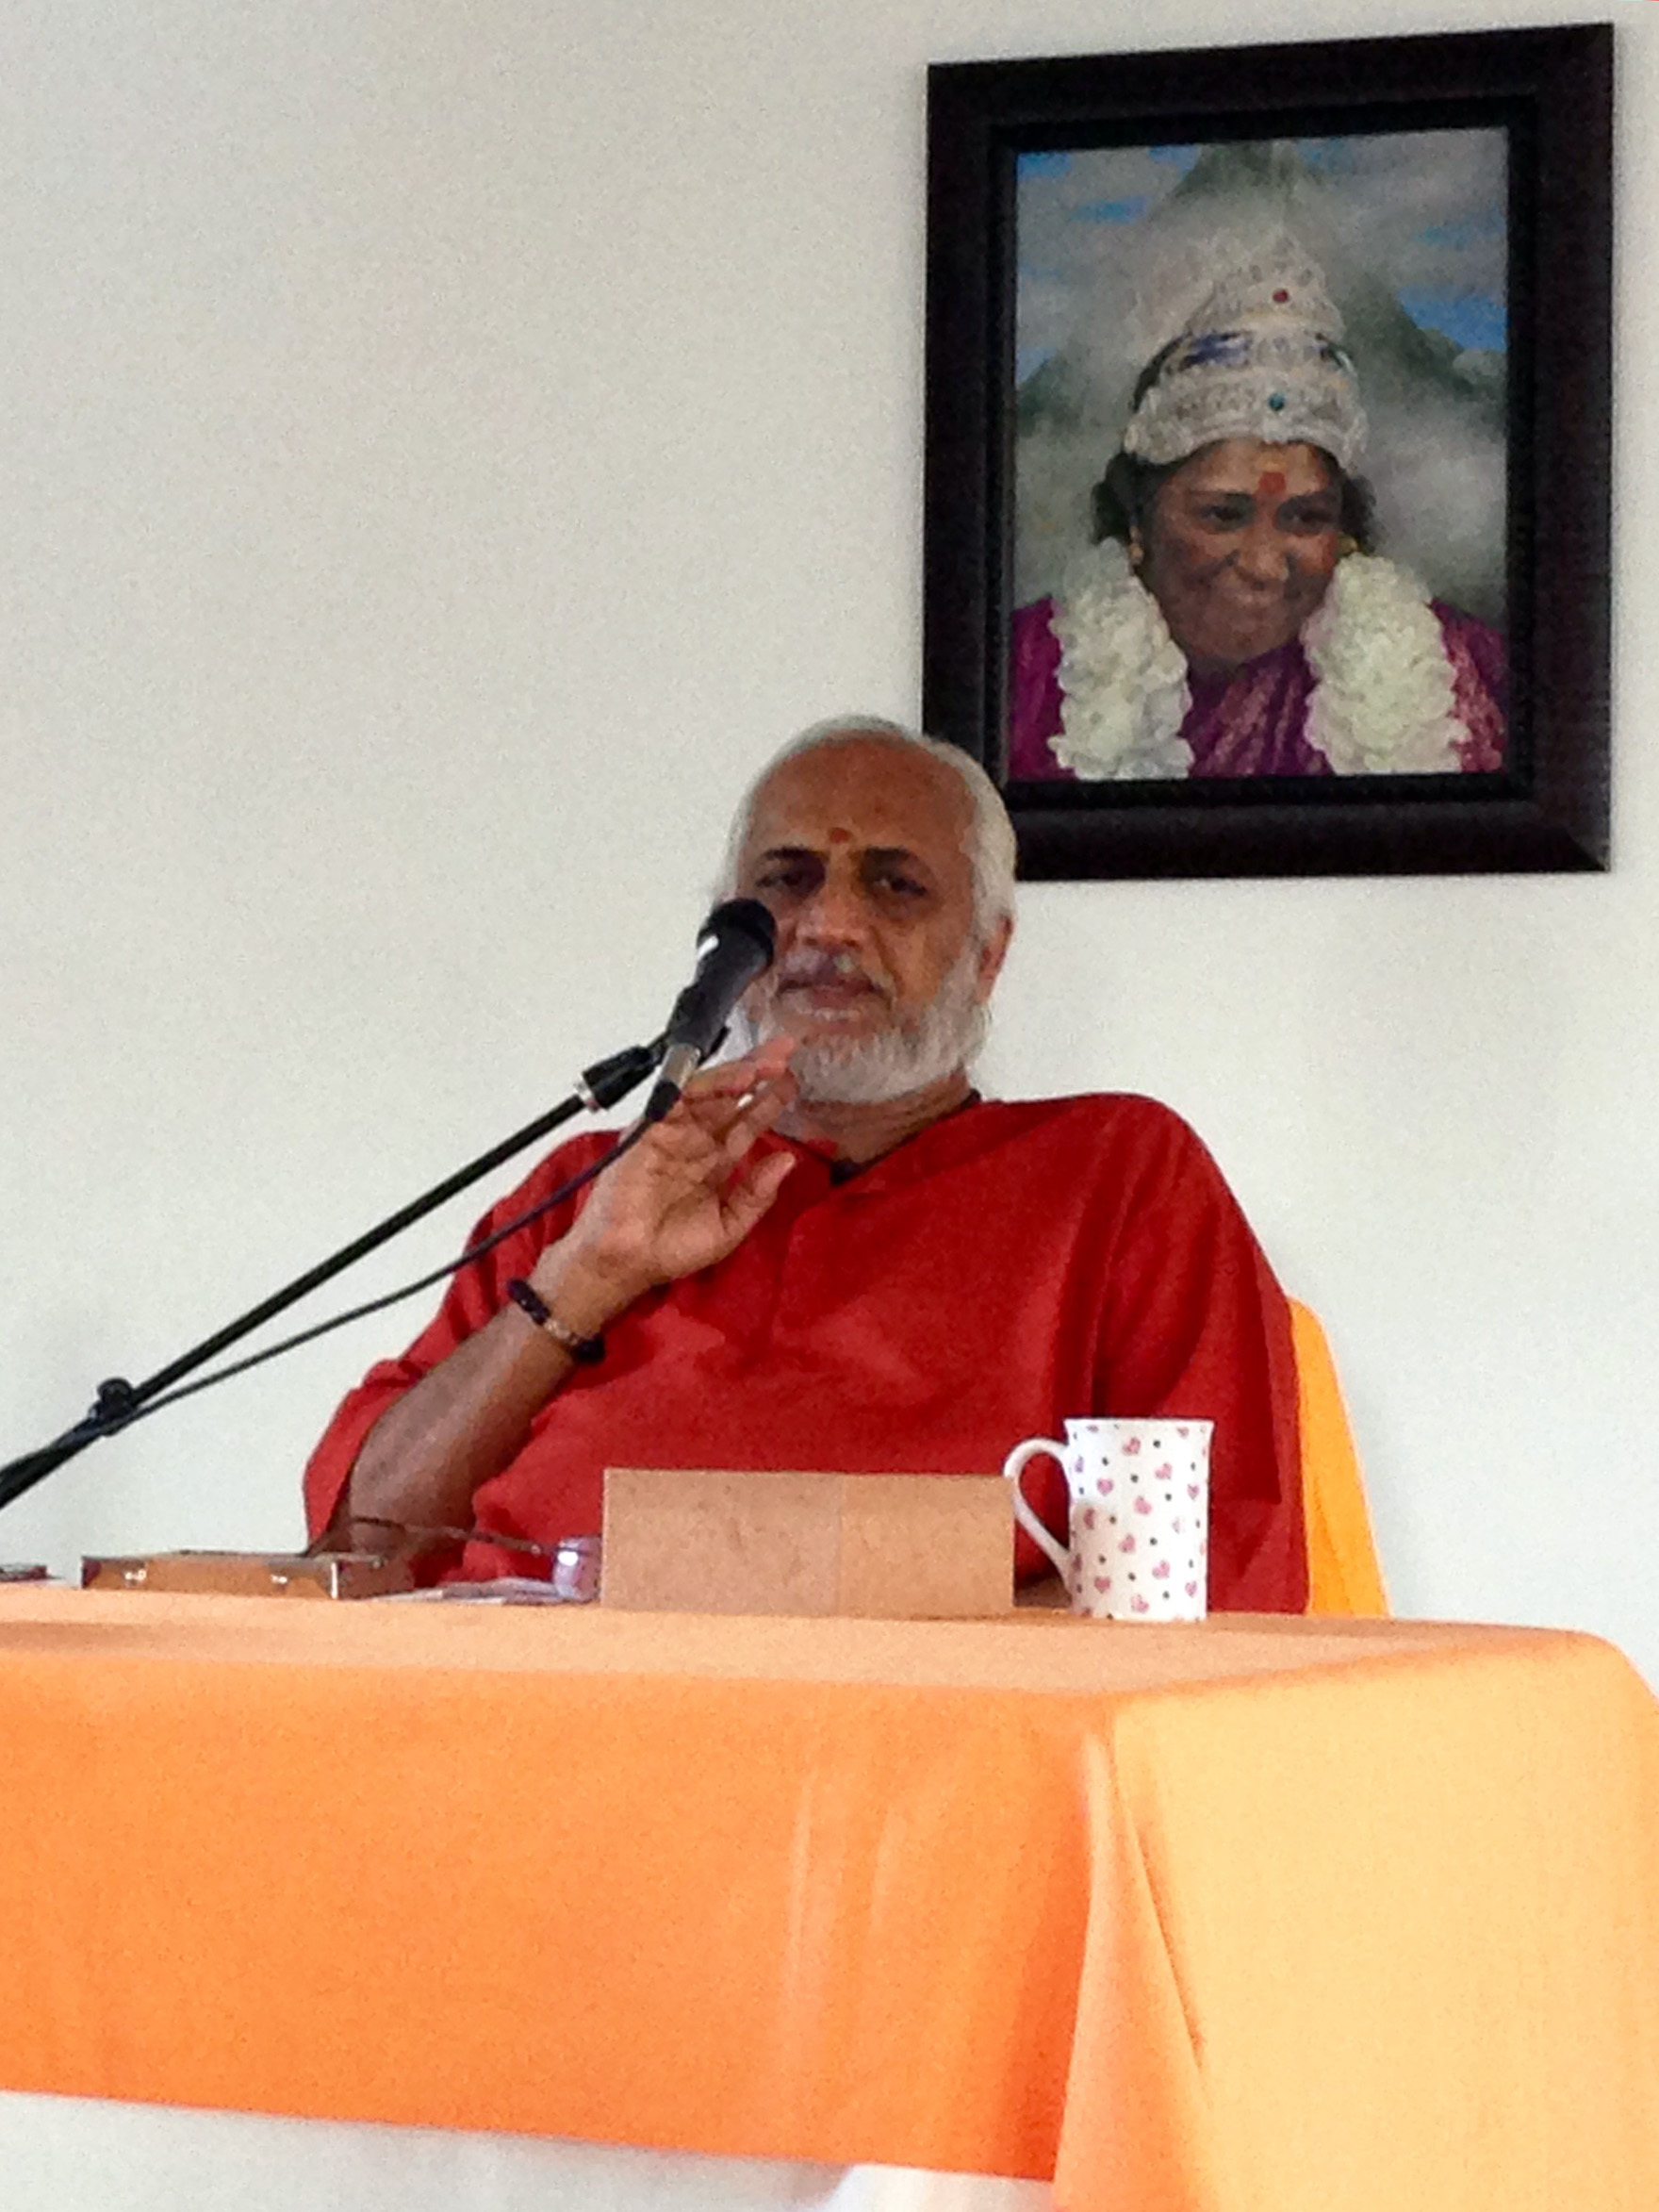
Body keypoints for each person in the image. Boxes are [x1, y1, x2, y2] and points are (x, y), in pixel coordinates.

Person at [304, 717, 1307, 1608]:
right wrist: (587, 1274)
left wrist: (866, 1662)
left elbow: (1207, 1580)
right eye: (784, 883)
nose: (827, 926)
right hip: (529, 1739)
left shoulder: (1115, 1174)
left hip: (923, 1768)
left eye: (893, 884)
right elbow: (359, 1553)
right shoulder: (588, 1188)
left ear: (987, 954)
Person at [1009, 243, 1506, 782]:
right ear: (1136, 519)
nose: (1265, 566)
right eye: (1223, 515)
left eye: (1307, 518)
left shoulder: (1451, 667)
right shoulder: (1027, 671)